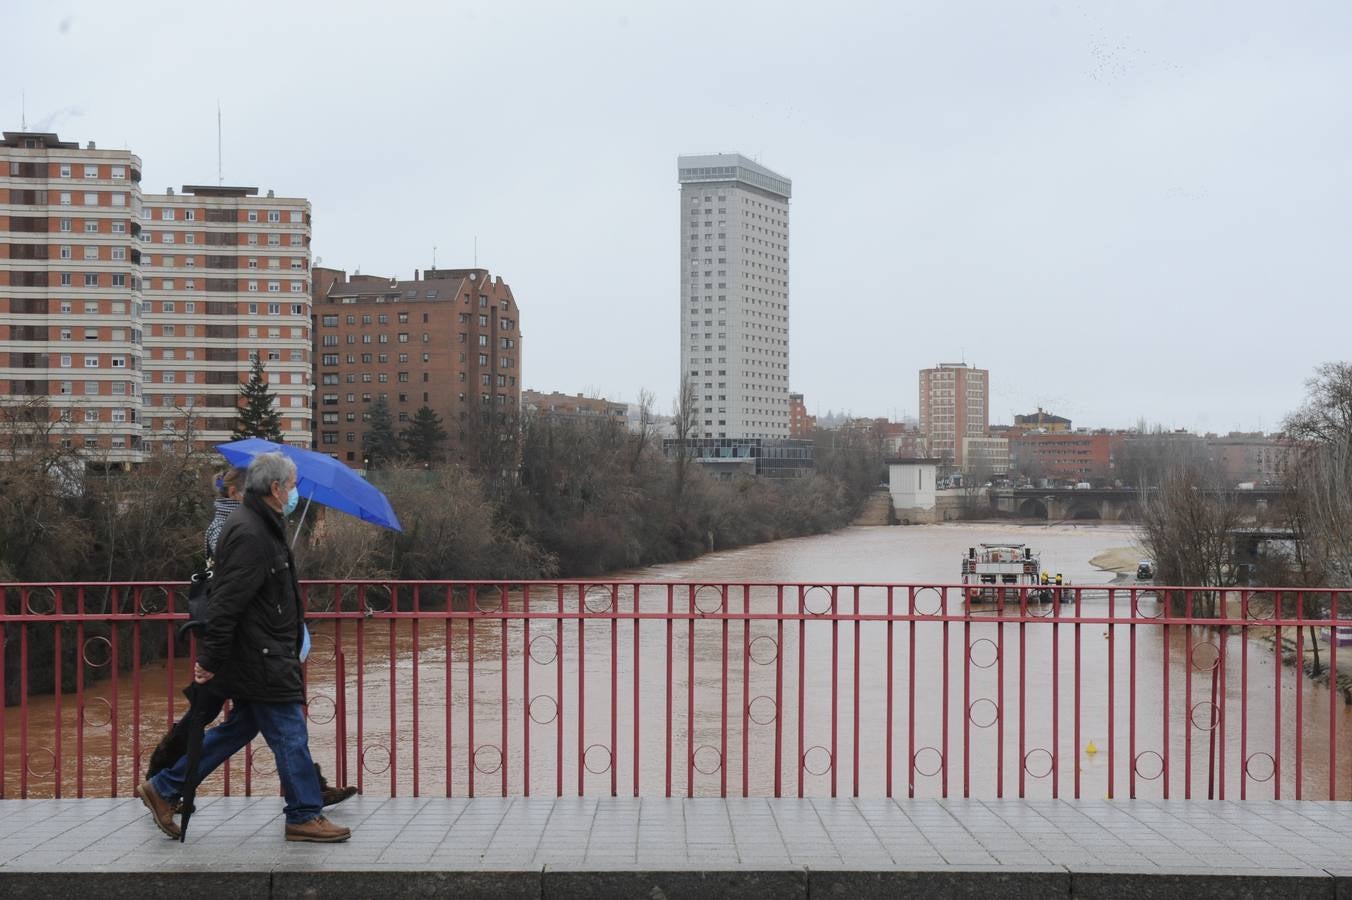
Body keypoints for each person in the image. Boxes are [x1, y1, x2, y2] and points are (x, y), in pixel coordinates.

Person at [135, 452, 351, 843]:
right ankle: (304, 813)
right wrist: (209, 660)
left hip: (265, 652)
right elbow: (227, 602)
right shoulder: (251, 532)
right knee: (290, 733)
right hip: (261, 656)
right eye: (292, 484)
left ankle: (166, 787)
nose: (294, 492)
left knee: (239, 728)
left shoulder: (261, 525)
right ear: (275, 488)